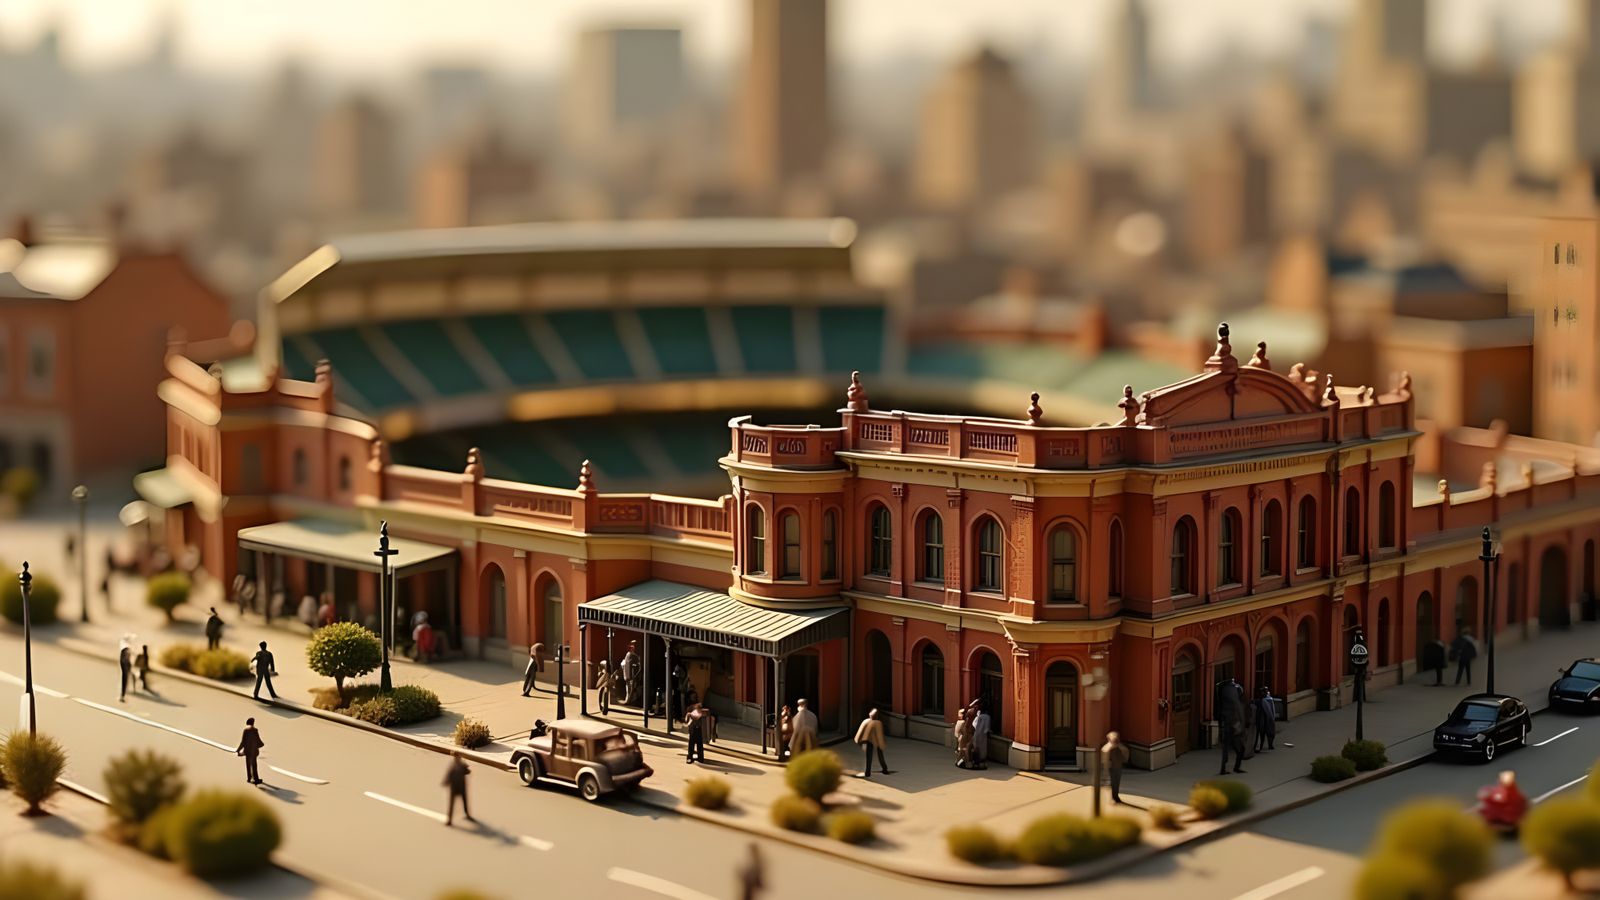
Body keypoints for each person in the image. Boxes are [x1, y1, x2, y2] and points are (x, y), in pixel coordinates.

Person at [1215, 680, 1246, 775]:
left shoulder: (1224, 694)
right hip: (1233, 726)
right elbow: (1237, 715)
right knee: (1239, 748)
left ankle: (1225, 768)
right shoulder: (1234, 701)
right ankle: (1234, 767)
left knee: (1227, 748)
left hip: (1228, 725)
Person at [854, 708, 890, 777]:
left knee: (870, 757)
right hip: (872, 741)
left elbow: (860, 732)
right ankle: (884, 769)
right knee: (878, 756)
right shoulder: (877, 723)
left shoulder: (866, 721)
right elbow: (879, 735)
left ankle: (869, 772)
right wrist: (881, 744)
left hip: (868, 741)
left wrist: (858, 740)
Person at [443, 751, 473, 826]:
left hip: (461, 786)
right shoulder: (453, 765)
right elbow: (449, 774)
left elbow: (468, 772)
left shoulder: (462, 765)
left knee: (464, 801)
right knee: (452, 804)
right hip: (454, 787)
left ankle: (467, 814)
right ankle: (449, 819)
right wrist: (446, 781)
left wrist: (466, 767)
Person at [1102, 731, 1130, 804]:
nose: (1115, 741)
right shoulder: (1108, 747)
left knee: (1116, 783)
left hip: (1118, 767)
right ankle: (1114, 797)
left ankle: (1115, 796)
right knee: (1113, 783)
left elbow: (1125, 753)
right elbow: (1104, 755)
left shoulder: (1120, 747)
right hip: (1111, 768)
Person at [236, 717, 264, 785]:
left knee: (248, 764)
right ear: (253, 723)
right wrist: (260, 745)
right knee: (254, 765)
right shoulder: (255, 730)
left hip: (247, 750)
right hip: (254, 750)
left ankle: (249, 778)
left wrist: (238, 750)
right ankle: (256, 779)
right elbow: (258, 740)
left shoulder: (245, 730)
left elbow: (243, 742)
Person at [969, 700, 992, 770]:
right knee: (983, 749)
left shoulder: (979, 716)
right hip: (983, 735)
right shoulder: (987, 717)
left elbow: (974, 724)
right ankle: (981, 762)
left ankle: (975, 762)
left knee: (976, 747)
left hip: (976, 733)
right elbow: (987, 728)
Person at [1255, 685, 1278, 752]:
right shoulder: (1261, 701)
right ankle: (1261, 746)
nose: (1266, 693)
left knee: (1267, 732)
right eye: (1264, 692)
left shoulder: (1267, 699)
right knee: (1263, 732)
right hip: (1262, 718)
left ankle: (1268, 745)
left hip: (1265, 718)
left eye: (1266, 691)